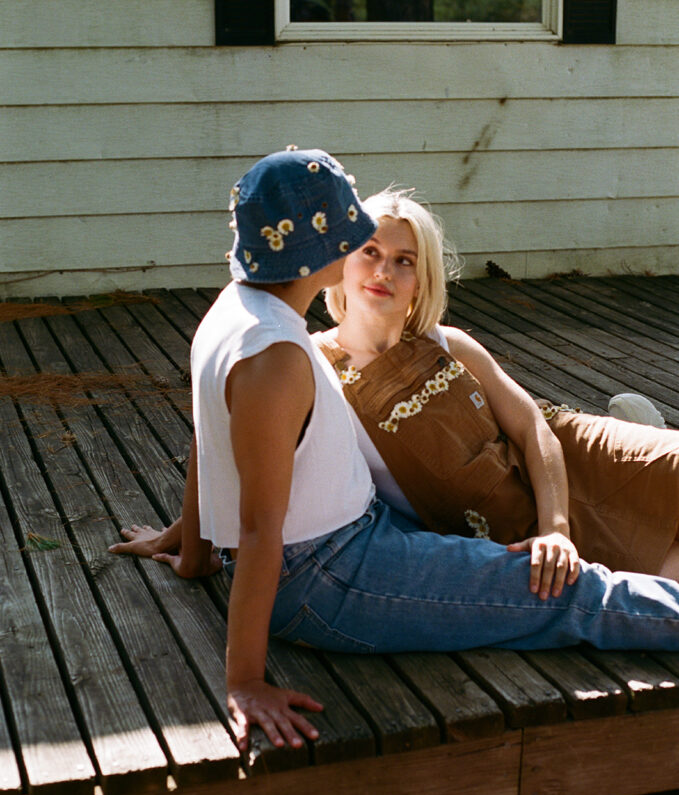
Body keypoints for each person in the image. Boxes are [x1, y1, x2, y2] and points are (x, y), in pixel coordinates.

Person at [110, 151, 679, 755]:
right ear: (321, 247)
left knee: (562, 581)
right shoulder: (276, 355)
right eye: (351, 231)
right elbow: (257, 530)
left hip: (357, 539)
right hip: (331, 572)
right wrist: (245, 681)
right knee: (567, 596)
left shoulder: (237, 310)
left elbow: (211, 433)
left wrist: (195, 550)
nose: (363, 244)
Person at [316, 188, 679, 594]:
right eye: (370, 252)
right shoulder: (315, 368)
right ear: (342, 261)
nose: (383, 271)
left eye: (404, 261)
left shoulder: (447, 343)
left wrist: (556, 530)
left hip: (568, 460)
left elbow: (533, 429)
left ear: (420, 282)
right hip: (509, 522)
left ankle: (640, 432)